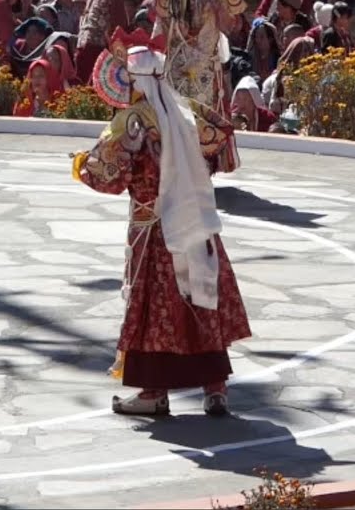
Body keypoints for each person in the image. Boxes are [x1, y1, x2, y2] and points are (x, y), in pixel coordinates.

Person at [74, 32, 251, 416]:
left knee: (154, 308)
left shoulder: (131, 120)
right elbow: (223, 144)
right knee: (199, 295)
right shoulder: (186, 113)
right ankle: (214, 387)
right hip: (195, 219)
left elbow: (106, 175)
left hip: (153, 228)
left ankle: (154, 392)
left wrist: (80, 166)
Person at [146, 0, 247, 173]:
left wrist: (218, 9)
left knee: (200, 114)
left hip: (202, 63)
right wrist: (156, 55)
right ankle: (177, 164)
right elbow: (159, 24)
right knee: (174, 113)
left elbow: (233, 25)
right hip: (175, 62)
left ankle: (202, 165)